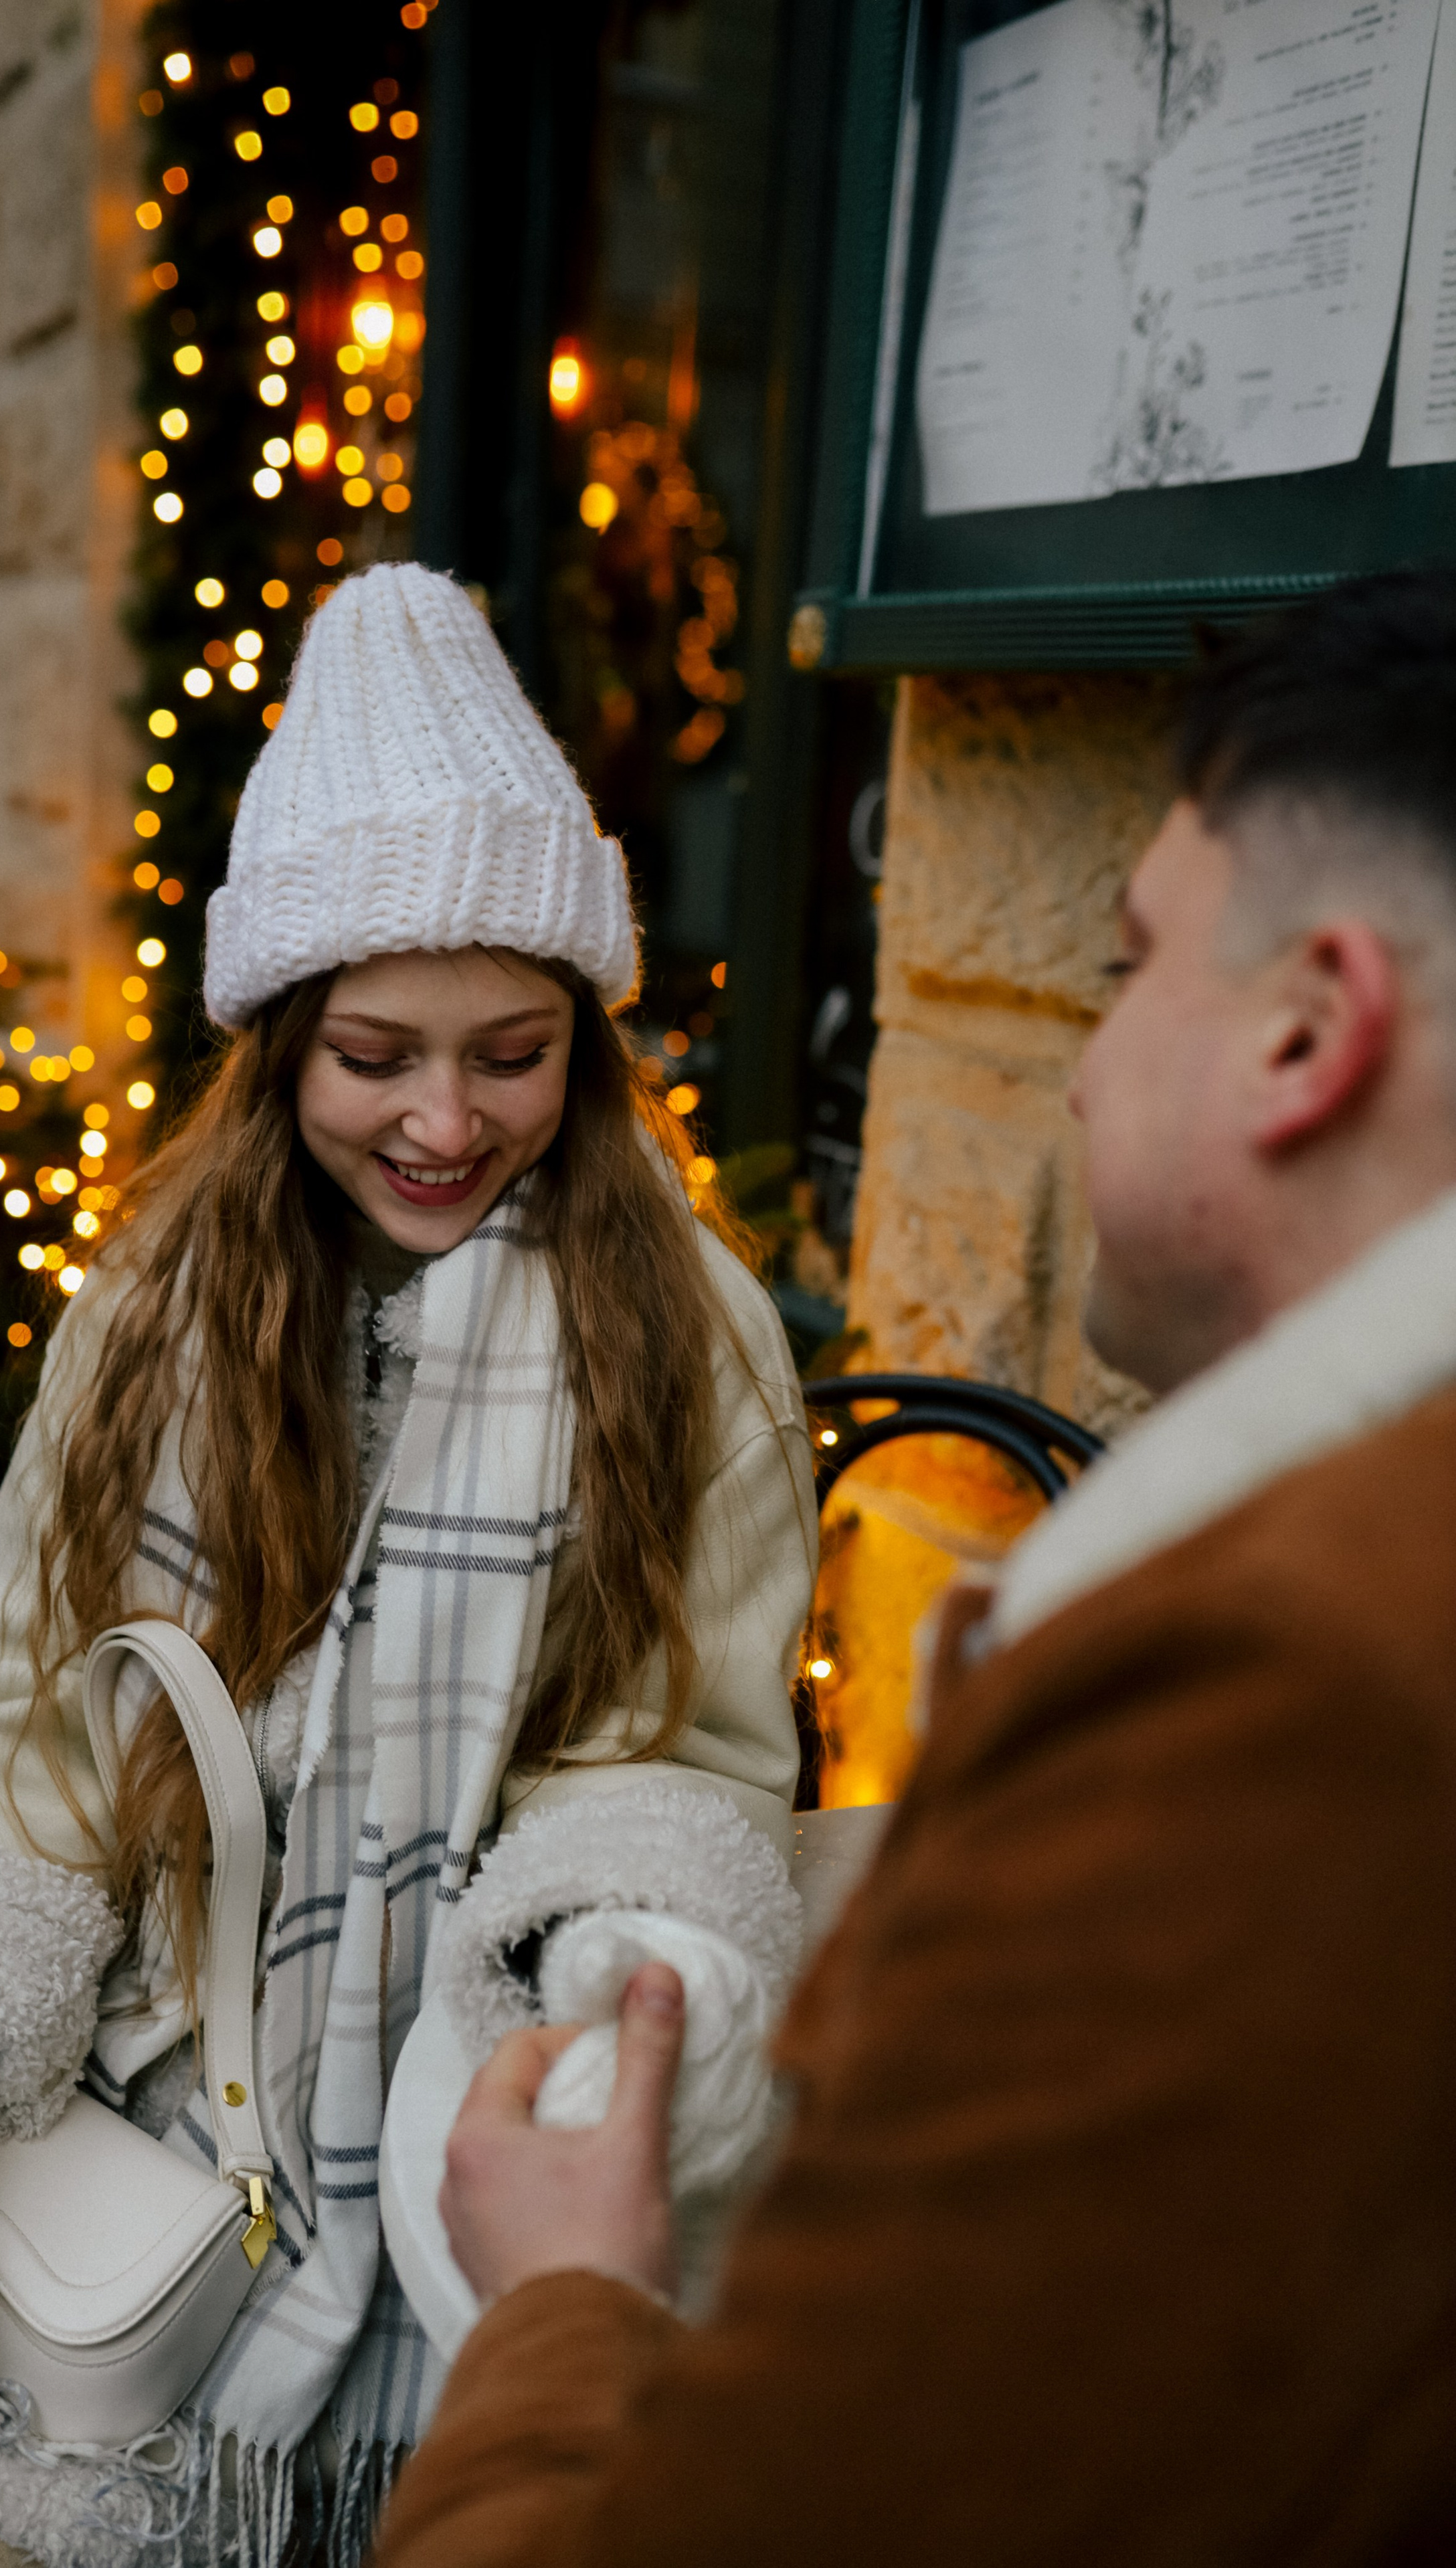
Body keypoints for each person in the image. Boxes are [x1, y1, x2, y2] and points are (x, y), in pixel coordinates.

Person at [370, 568, 1456, 2568]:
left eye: (1131, 969)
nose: (1079, 1056)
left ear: (1312, 1031)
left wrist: (557, 2313)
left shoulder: (1272, 1700)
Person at [0, 565, 816, 2568]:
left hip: (473, 2130)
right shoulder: (155, 1315)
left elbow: (682, 1743)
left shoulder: (690, 1331)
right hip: (152, 2116)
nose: (444, 1120)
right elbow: (33, 1733)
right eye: (376, 1054)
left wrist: (621, 1948)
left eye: (513, 1052)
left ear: (583, 1034)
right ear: (278, 1046)